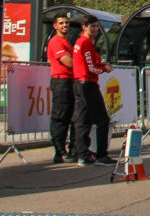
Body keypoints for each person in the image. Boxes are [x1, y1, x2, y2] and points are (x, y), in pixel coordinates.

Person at [72, 14, 116, 167]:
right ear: (84, 27)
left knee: (83, 120)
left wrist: (100, 64)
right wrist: (105, 69)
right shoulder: (85, 43)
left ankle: (82, 154)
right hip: (87, 84)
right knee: (102, 119)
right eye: (93, 26)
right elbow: (91, 67)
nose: (96, 29)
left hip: (79, 83)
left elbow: (91, 62)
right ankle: (101, 155)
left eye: (97, 26)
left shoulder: (80, 43)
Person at [46, 14, 77, 163]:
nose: (65, 25)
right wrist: (83, 66)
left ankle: (72, 149)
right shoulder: (56, 42)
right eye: (61, 23)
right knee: (60, 117)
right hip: (61, 82)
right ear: (55, 26)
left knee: (72, 116)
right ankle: (59, 152)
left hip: (69, 81)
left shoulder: (66, 43)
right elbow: (67, 62)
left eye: (66, 23)